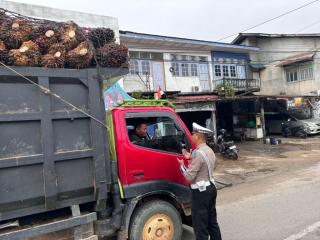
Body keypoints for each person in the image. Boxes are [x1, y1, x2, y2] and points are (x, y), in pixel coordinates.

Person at [177, 123, 222, 240]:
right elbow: (209, 166)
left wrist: (182, 165)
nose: (191, 136)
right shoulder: (209, 150)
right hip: (211, 188)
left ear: (198, 137)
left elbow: (188, 177)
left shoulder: (198, 153)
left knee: (200, 225)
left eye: (192, 134)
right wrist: (191, 159)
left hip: (200, 193)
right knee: (212, 222)